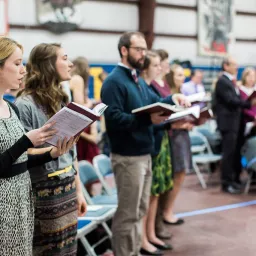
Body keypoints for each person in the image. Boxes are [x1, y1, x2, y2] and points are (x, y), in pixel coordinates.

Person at [101, 31, 188, 256]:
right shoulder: (114, 81)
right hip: (128, 156)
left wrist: (173, 99)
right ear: (124, 50)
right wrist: (146, 119)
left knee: (139, 210)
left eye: (144, 49)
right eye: (138, 49)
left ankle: (134, 250)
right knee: (128, 213)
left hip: (143, 153)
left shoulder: (135, 78)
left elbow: (153, 102)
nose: (143, 54)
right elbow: (114, 119)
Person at [0, 37, 77, 256]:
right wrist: (27, 141)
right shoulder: (23, 104)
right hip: (4, 204)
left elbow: (20, 162)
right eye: (16, 64)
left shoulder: (10, 108)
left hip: (22, 200)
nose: (23, 70)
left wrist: (53, 153)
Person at [16, 43, 87, 255]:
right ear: (48, 65)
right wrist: (51, 153)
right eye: (64, 58)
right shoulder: (25, 104)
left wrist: (79, 191)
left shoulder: (62, 100)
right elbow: (20, 154)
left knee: (68, 250)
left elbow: (71, 151)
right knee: (47, 251)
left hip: (67, 186)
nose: (70, 63)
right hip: (44, 190)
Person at [140, 51, 173, 255]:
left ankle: (150, 233)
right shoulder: (144, 86)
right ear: (145, 68)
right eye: (155, 65)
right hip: (149, 143)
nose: (159, 68)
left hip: (157, 141)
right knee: (148, 195)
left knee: (154, 194)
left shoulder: (146, 87)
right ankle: (144, 237)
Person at [214, 57, 256, 194]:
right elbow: (231, 100)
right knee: (228, 153)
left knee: (234, 153)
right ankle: (226, 183)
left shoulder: (230, 82)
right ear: (225, 66)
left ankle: (233, 180)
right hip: (228, 123)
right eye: (234, 65)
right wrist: (249, 103)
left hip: (234, 123)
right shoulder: (222, 82)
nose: (237, 67)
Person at [163, 64, 193, 225]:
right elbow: (165, 120)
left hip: (182, 136)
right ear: (171, 77)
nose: (183, 78)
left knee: (180, 173)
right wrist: (181, 124)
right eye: (179, 75)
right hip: (173, 138)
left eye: (183, 75)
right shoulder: (168, 94)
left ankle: (169, 209)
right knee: (176, 173)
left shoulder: (181, 94)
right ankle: (167, 210)